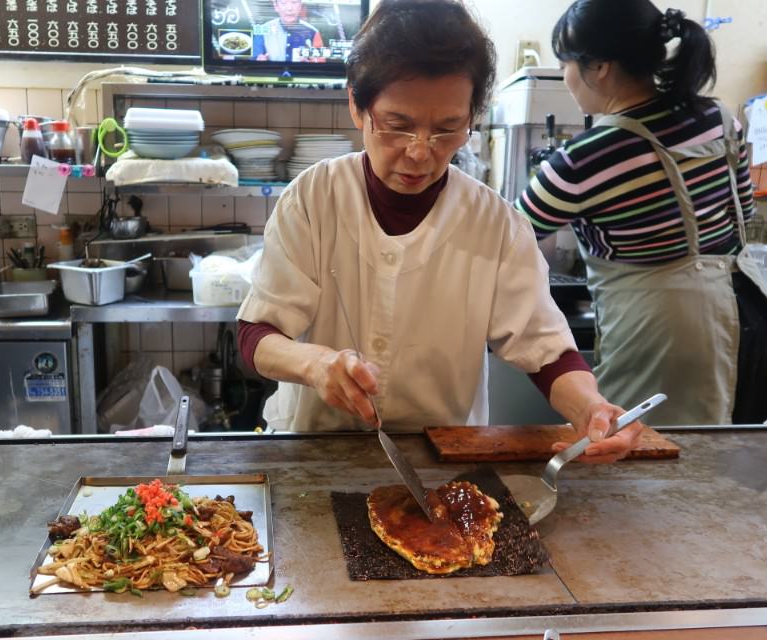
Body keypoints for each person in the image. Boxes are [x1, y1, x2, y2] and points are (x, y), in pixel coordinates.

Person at [236, 0, 645, 463]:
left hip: (445, 460)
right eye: (397, 125)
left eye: (448, 129)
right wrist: (315, 365)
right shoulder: (314, 198)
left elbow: (547, 353)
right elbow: (256, 335)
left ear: (471, 118)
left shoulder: (495, 224)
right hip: (316, 450)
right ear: (357, 105)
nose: (419, 153)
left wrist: (590, 407)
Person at [516, 0, 767, 425]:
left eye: (566, 63)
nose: (566, 77)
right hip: (750, 315)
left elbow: (506, 238)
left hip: (667, 338)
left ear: (600, 66)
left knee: (635, 465)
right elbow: (744, 211)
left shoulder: (583, 159)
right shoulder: (719, 118)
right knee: (730, 465)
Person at [253, 0, 325, 62]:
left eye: (294, 2)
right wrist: (260, 61)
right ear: (276, 6)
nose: (289, 8)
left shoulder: (313, 32)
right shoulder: (262, 30)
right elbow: (253, 60)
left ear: (300, 5)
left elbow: (321, 62)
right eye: (283, 3)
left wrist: (309, 63)